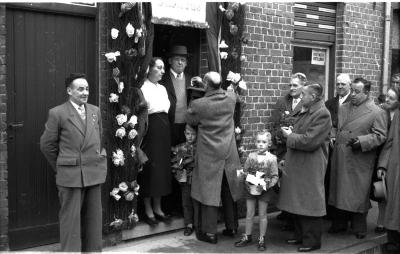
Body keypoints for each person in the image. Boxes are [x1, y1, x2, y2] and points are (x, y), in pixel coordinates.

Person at [40, 73, 107, 252]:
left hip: (93, 172)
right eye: (80, 89)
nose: (85, 92)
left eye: (87, 89)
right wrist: (62, 165)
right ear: (69, 91)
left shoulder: (95, 111)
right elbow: (47, 145)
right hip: (70, 175)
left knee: (93, 220)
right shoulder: (58, 113)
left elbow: (98, 138)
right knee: (71, 221)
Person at [328, 77, 388, 239]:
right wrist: (333, 136)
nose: (352, 94)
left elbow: (380, 135)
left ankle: (359, 227)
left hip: (359, 158)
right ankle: (339, 223)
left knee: (358, 194)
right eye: (352, 90)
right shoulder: (343, 108)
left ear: (367, 93)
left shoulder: (377, 111)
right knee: (339, 190)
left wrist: (361, 141)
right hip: (340, 155)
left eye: (357, 91)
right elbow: (336, 127)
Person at [185, 71, 241, 244]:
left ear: (206, 85)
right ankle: (232, 227)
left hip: (209, 154)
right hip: (229, 152)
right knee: (228, 189)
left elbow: (190, 119)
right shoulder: (231, 98)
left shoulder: (198, 104)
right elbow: (240, 102)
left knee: (209, 191)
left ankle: (209, 233)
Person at [277, 83, 332, 252]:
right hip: (300, 162)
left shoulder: (322, 114)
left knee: (309, 202)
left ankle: (312, 241)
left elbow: (310, 141)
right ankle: (301, 236)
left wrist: (290, 135)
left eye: (304, 95)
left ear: (313, 97)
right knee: (299, 201)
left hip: (311, 164)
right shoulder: (309, 110)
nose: (301, 98)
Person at [271, 72, 307, 230]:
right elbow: (273, 124)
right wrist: (277, 136)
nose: (291, 88)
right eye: (290, 85)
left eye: (295, 85)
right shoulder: (282, 101)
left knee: (293, 184)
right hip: (281, 149)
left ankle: (294, 218)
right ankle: (287, 212)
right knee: (278, 182)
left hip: (297, 150)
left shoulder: (307, 103)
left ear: (303, 87)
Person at [139, 57, 172, 226]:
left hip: (164, 130)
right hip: (150, 130)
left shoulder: (164, 88)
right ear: (149, 69)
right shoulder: (142, 87)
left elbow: (166, 108)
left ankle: (158, 208)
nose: (162, 71)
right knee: (150, 170)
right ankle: (147, 209)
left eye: (163, 68)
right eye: (159, 67)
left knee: (161, 171)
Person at [234, 130, 278, 251]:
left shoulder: (272, 158)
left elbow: (275, 176)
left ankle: (261, 238)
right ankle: (247, 236)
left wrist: (266, 184)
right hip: (250, 189)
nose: (260, 144)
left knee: (263, 214)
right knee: (249, 213)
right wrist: (246, 180)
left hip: (264, 190)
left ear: (269, 143)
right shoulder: (251, 156)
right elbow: (246, 170)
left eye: (264, 142)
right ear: (255, 142)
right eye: (258, 141)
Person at [324, 73, 352, 219]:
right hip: (330, 147)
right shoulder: (329, 103)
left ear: (349, 85)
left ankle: (342, 215)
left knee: (343, 181)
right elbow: (325, 123)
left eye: (343, 84)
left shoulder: (353, 103)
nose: (340, 86)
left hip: (345, 147)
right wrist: (330, 134)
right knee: (329, 178)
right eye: (338, 84)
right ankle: (330, 212)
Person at [376, 86, 400, 253]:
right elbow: (390, 141)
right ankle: (393, 242)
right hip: (396, 167)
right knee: (393, 205)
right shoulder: (398, 115)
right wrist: (383, 164)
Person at [160, 45, 192, 145]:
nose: (180, 62)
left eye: (183, 60)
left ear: (186, 63)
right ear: (170, 61)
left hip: (186, 125)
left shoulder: (191, 79)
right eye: (177, 59)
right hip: (168, 124)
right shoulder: (161, 79)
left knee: (185, 155)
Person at [171, 124, 197, 236]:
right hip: (185, 179)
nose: (190, 137)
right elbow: (174, 164)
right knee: (186, 202)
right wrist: (177, 171)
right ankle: (189, 225)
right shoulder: (180, 147)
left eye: (193, 134)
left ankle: (197, 224)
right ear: (184, 134)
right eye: (188, 134)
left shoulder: (199, 147)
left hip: (196, 178)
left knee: (196, 202)